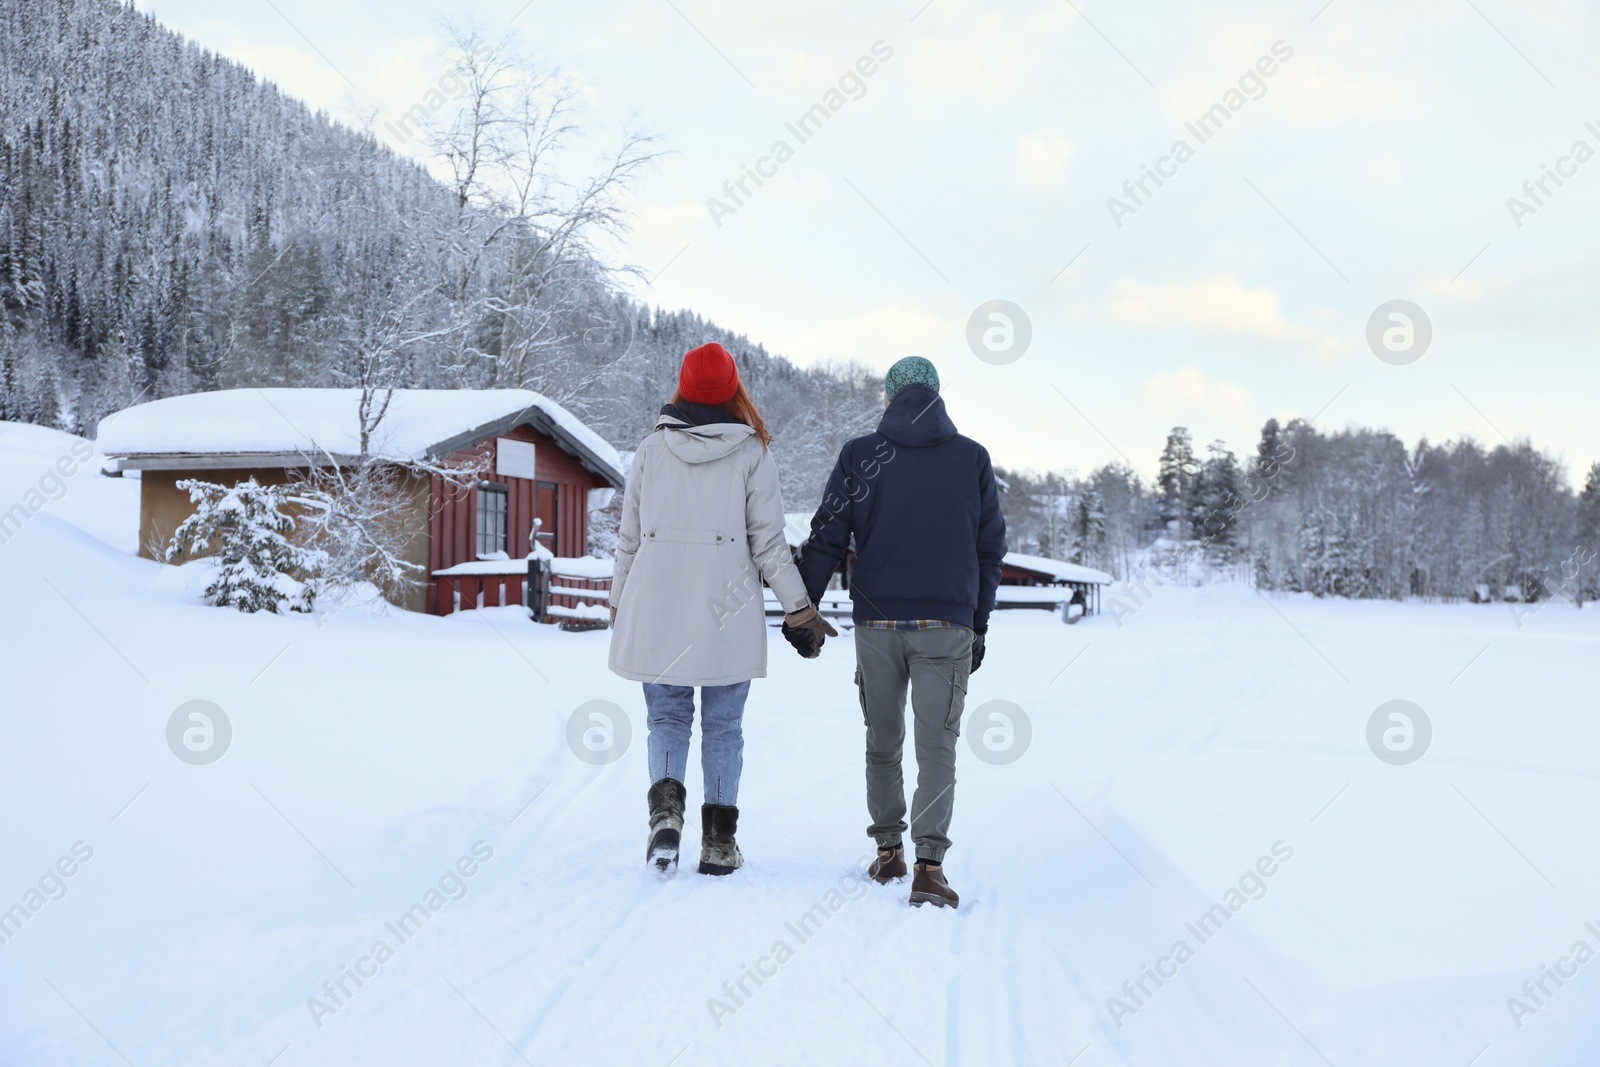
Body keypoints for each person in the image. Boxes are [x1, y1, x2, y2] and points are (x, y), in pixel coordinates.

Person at [609, 342, 836, 876]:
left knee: (666, 717)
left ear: (683, 388)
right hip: (726, 614)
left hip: (657, 606)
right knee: (724, 727)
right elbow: (770, 545)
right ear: (734, 389)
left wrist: (619, 601)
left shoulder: (650, 450)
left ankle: (666, 820)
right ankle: (717, 843)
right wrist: (798, 609)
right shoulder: (752, 451)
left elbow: (629, 539)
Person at [796, 356, 1006, 908]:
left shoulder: (860, 454)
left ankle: (889, 854)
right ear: (937, 397)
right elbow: (990, 552)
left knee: (882, 740)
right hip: (947, 624)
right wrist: (977, 624)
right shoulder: (973, 459)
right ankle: (929, 869)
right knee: (938, 746)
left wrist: (803, 607)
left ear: (888, 400)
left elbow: (826, 535)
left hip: (878, 622)